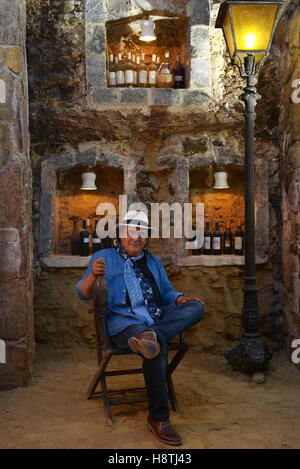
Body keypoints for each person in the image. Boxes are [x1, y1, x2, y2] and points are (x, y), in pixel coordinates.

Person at [76, 210, 205, 446]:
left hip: (155, 318)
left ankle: (151, 337)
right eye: (130, 232)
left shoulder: (153, 261)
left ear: (146, 237)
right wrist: (93, 276)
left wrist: (179, 300)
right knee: (154, 348)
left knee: (195, 309)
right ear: (121, 234)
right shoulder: (104, 256)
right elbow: (82, 294)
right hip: (124, 323)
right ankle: (158, 419)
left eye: (141, 234)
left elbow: (166, 293)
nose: (135, 238)